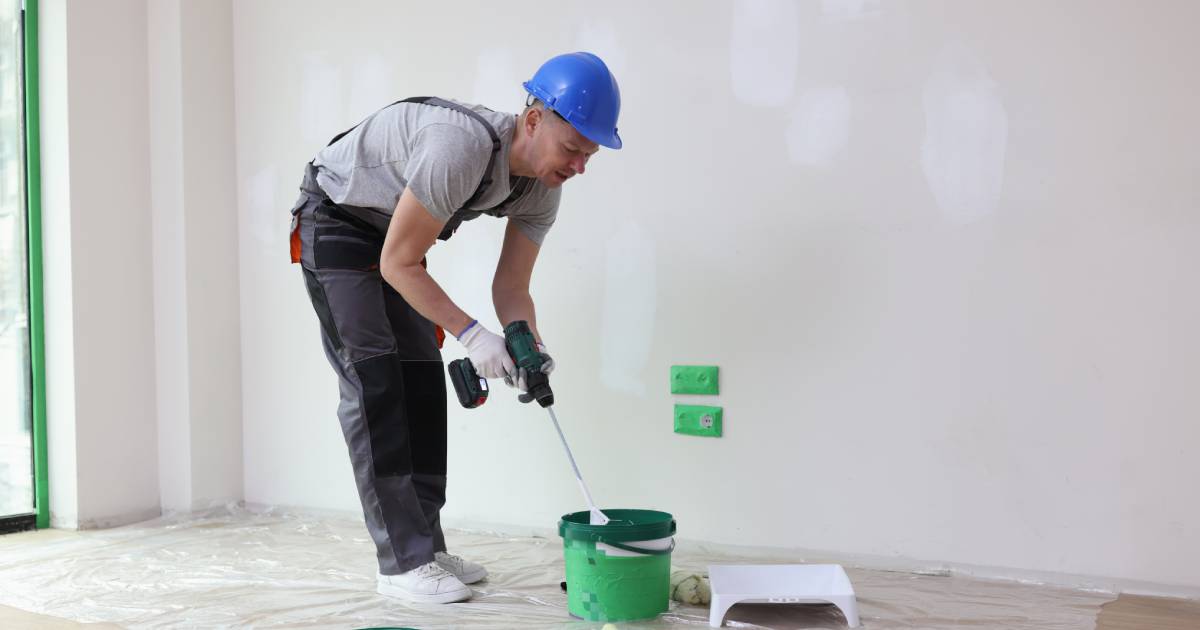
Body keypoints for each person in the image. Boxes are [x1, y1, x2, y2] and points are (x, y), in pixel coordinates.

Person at [287, 52, 622, 604]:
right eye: (573, 150)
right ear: (534, 120)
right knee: (376, 383)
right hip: (340, 219)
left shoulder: (542, 186)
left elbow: (511, 288)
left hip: (395, 238)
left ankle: (425, 547)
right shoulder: (459, 147)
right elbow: (399, 263)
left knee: (420, 374)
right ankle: (400, 563)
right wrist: (472, 335)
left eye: (589, 156)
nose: (579, 166)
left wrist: (525, 342)